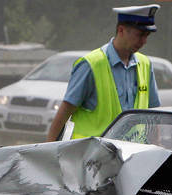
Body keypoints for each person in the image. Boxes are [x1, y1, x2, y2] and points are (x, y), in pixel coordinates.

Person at [46, 4, 162, 141]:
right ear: (121, 30)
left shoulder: (145, 65)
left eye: (147, 36)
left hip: (131, 158)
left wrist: (158, 150)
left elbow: (153, 115)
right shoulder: (91, 64)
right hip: (91, 157)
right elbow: (64, 112)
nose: (144, 41)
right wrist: (49, 153)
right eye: (140, 35)